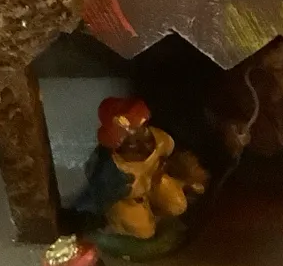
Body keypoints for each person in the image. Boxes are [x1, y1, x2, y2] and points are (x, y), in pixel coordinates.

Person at [74, 97, 208, 241]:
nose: (141, 143)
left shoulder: (160, 140)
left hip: (154, 181)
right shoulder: (113, 170)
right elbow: (97, 196)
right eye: (129, 141)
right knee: (145, 230)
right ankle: (117, 223)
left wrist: (182, 175)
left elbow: (173, 156)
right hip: (129, 199)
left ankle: (152, 211)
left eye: (142, 129)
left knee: (177, 205)